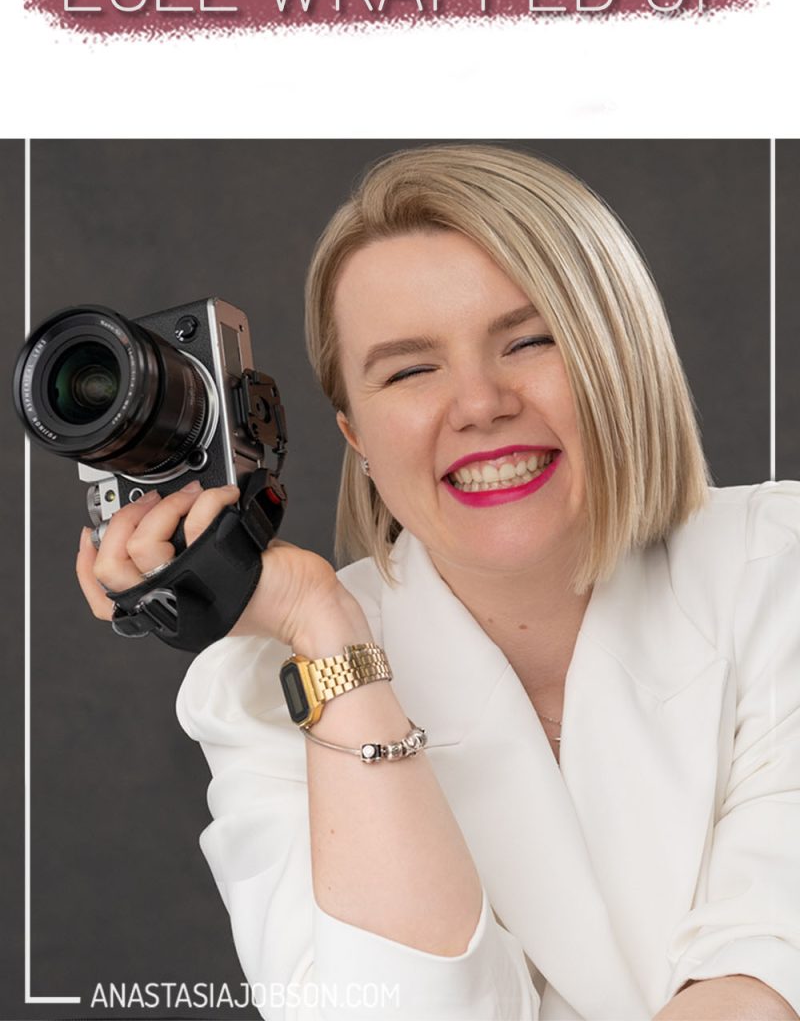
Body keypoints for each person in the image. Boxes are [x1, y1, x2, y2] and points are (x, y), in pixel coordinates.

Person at [76, 145, 800, 1021]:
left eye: (530, 341)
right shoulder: (266, 692)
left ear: (625, 358)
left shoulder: (779, 567)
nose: (480, 403)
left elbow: (761, 978)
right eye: (411, 370)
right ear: (357, 436)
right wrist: (327, 633)